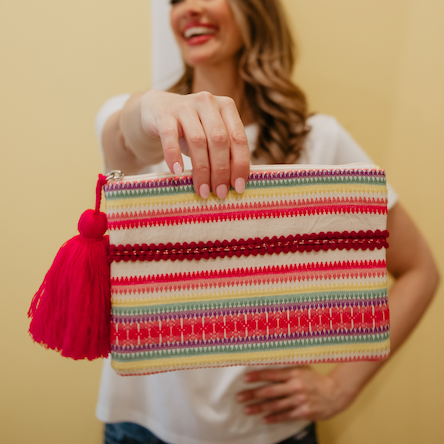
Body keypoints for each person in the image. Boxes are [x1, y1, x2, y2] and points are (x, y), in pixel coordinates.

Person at [95, 1, 439, 443]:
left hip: (272, 433)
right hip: (141, 427)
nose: (191, 8)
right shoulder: (147, 128)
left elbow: (420, 269)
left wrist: (339, 387)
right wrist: (152, 107)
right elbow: (123, 133)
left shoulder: (319, 140)